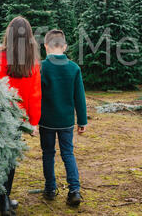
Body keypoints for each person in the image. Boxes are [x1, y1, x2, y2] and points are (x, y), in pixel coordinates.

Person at [0, 16, 41, 216]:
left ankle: (2, 198)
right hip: (16, 120)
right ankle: (4, 201)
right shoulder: (32, 63)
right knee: (9, 161)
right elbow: (35, 95)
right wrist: (33, 122)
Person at [39, 29, 87, 207]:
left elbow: (36, 95)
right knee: (68, 153)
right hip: (66, 121)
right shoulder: (74, 68)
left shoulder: (41, 67)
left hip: (46, 121)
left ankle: (50, 189)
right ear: (65, 47)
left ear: (46, 46)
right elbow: (79, 97)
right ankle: (74, 190)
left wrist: (33, 119)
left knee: (48, 153)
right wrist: (82, 121)